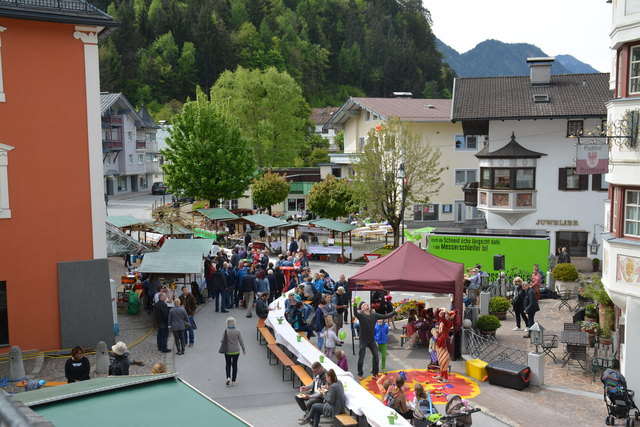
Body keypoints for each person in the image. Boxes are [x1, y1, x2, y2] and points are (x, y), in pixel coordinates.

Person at [353, 300, 397, 380]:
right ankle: (360, 373)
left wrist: (395, 312)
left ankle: (375, 373)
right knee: (361, 357)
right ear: (362, 309)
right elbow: (355, 313)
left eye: (366, 304)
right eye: (363, 305)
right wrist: (355, 304)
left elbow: (386, 316)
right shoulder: (361, 315)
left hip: (371, 340)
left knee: (376, 356)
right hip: (363, 340)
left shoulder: (374, 315)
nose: (365, 305)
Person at [220, 317, 246, 386]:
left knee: (228, 364)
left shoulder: (225, 331)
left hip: (228, 351)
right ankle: (234, 381)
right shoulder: (237, 331)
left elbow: (222, 340)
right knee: (235, 364)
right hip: (236, 351)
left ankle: (228, 377)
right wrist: (243, 349)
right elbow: (241, 341)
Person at [434, 309, 456, 383]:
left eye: (446, 314)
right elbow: (437, 316)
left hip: (444, 342)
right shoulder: (441, 321)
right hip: (439, 341)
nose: (444, 314)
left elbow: (441, 318)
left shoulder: (448, 323)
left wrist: (441, 313)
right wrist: (437, 311)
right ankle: (441, 375)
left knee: (444, 360)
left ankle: (445, 378)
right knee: (440, 360)